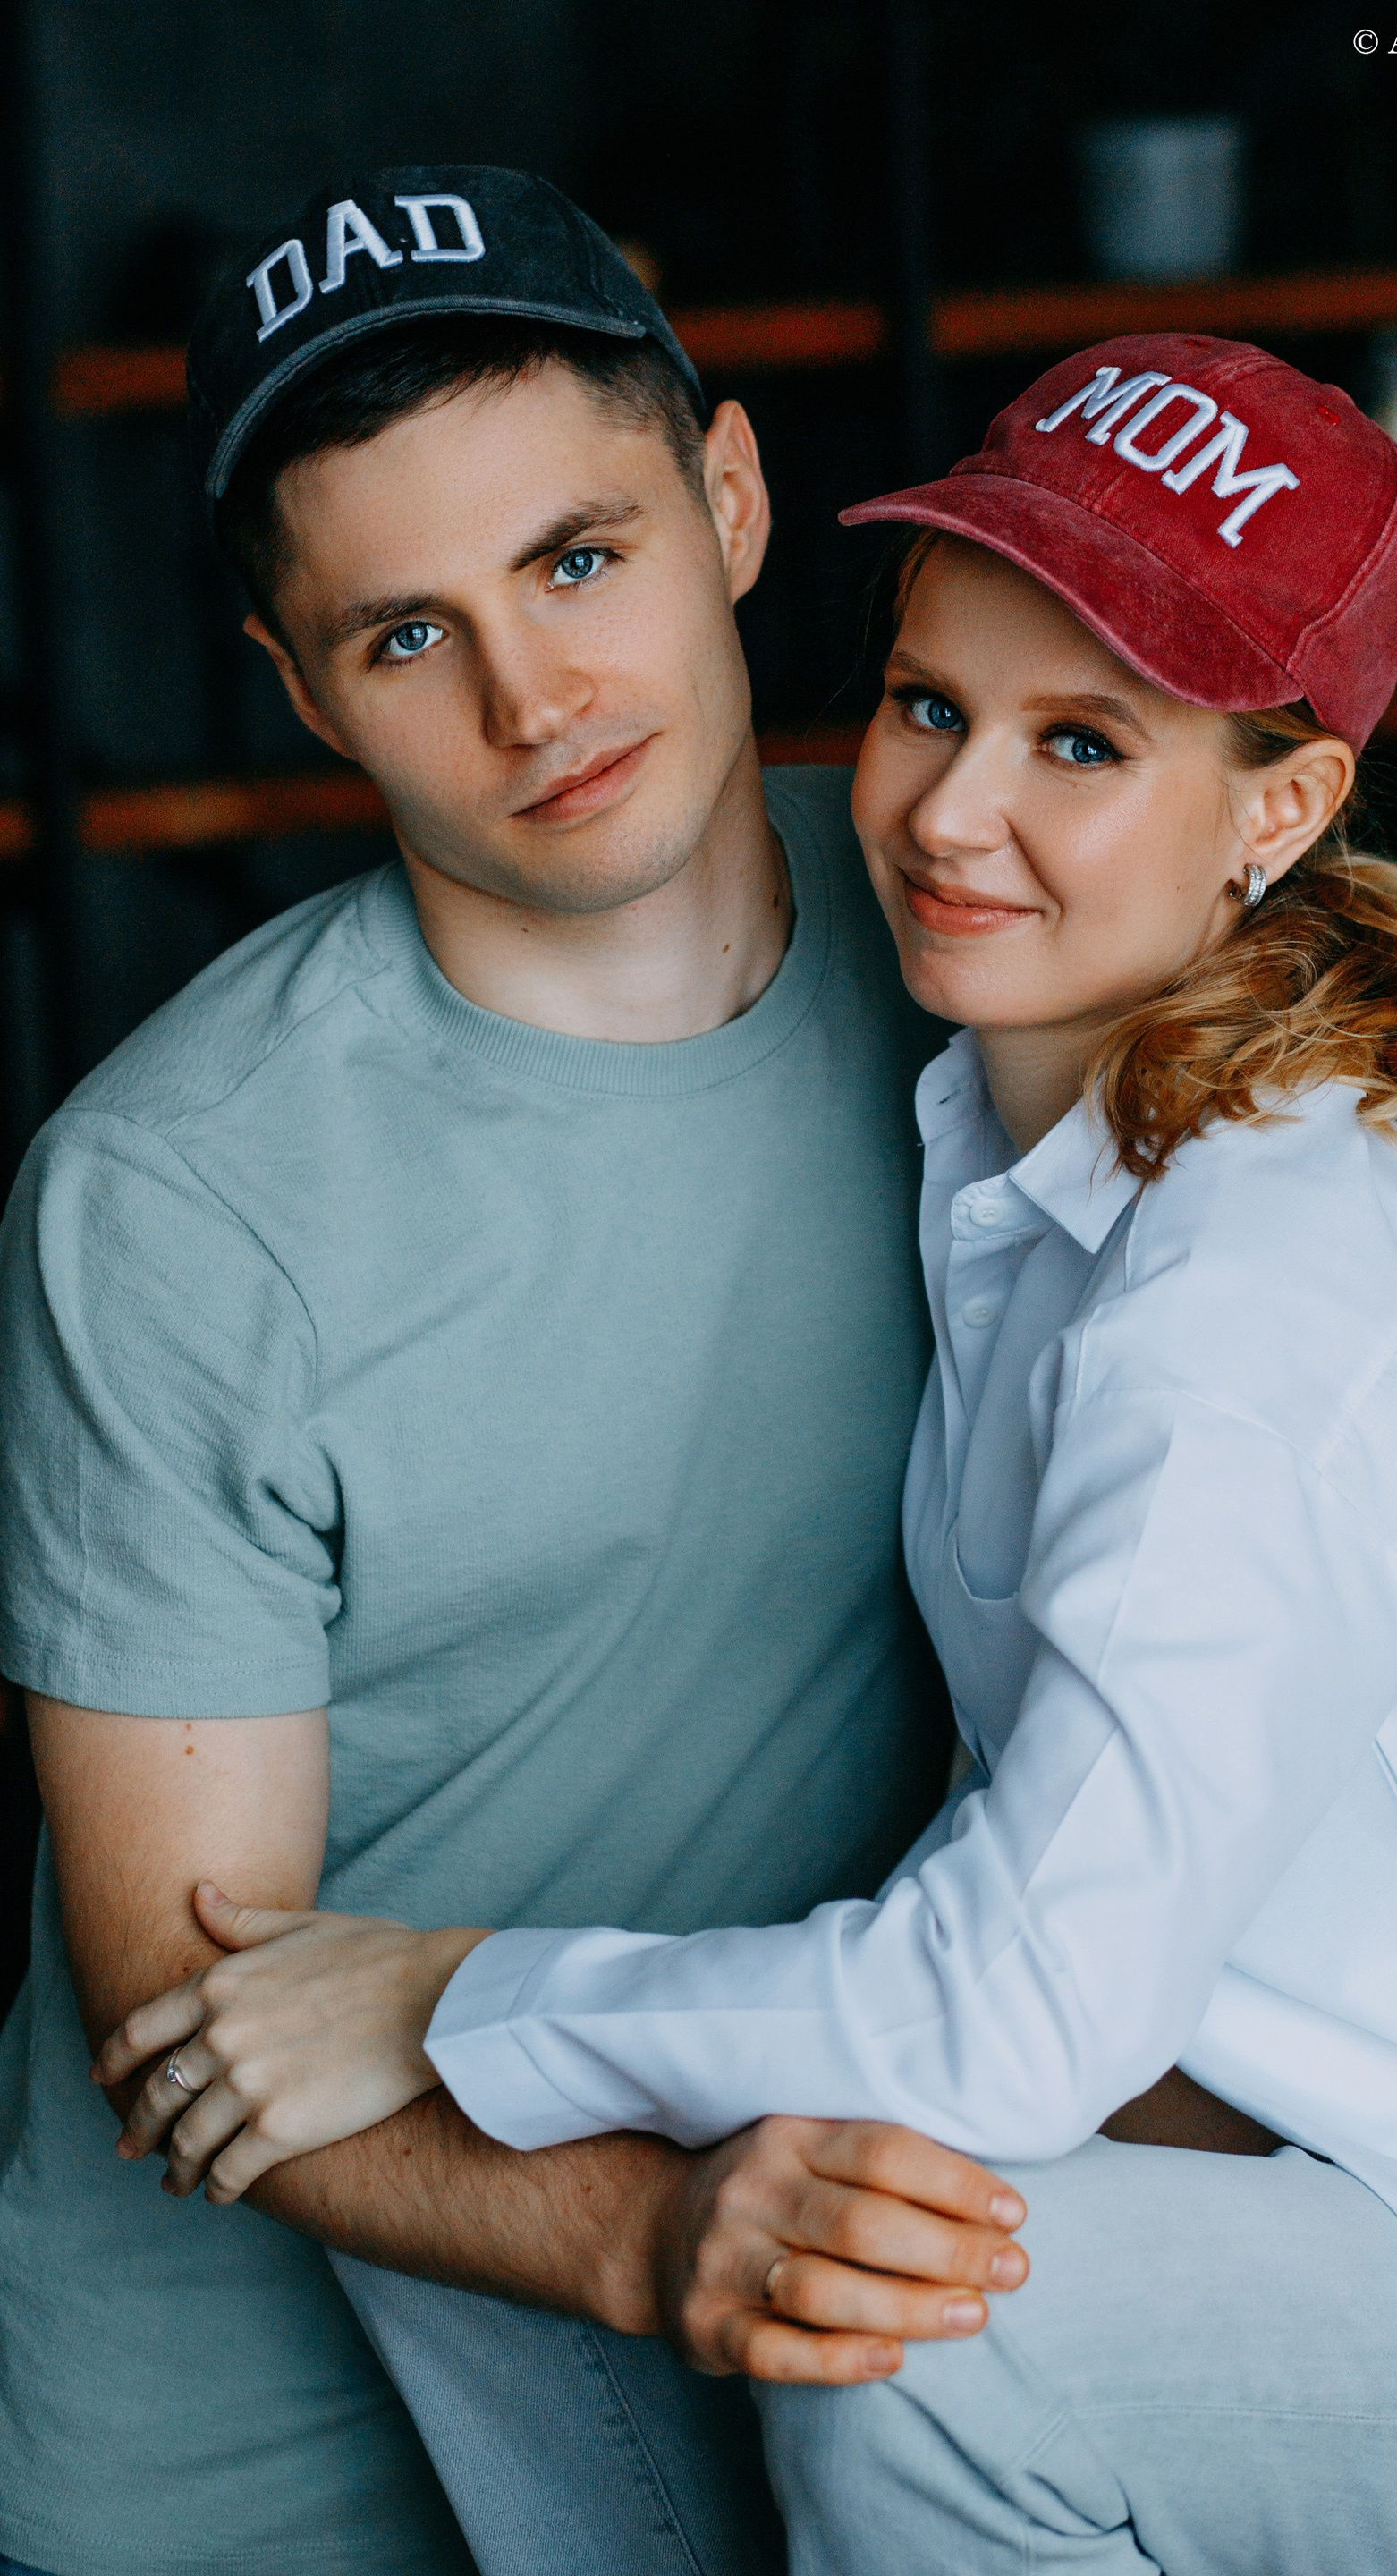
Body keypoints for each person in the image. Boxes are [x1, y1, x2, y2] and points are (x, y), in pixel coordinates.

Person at [109, 335, 1397, 2574]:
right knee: (604, 2187)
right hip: (1312, 2170)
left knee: (926, 2340)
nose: (954, 815)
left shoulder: (1263, 1282)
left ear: (1278, 812)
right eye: (930, 705)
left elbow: (1027, 2013)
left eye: (1085, 745)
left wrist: (442, 1988)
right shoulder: (1030, 1132)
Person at [0, 165, 1044, 2576]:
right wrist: (644, 2240)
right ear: (299, 691)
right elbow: (179, 1997)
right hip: (262, 2460)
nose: (533, 701)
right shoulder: (170, 1202)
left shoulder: (995, 950)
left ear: (733, 500)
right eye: (406, 635)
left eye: (579, 558)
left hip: (809, 2355)